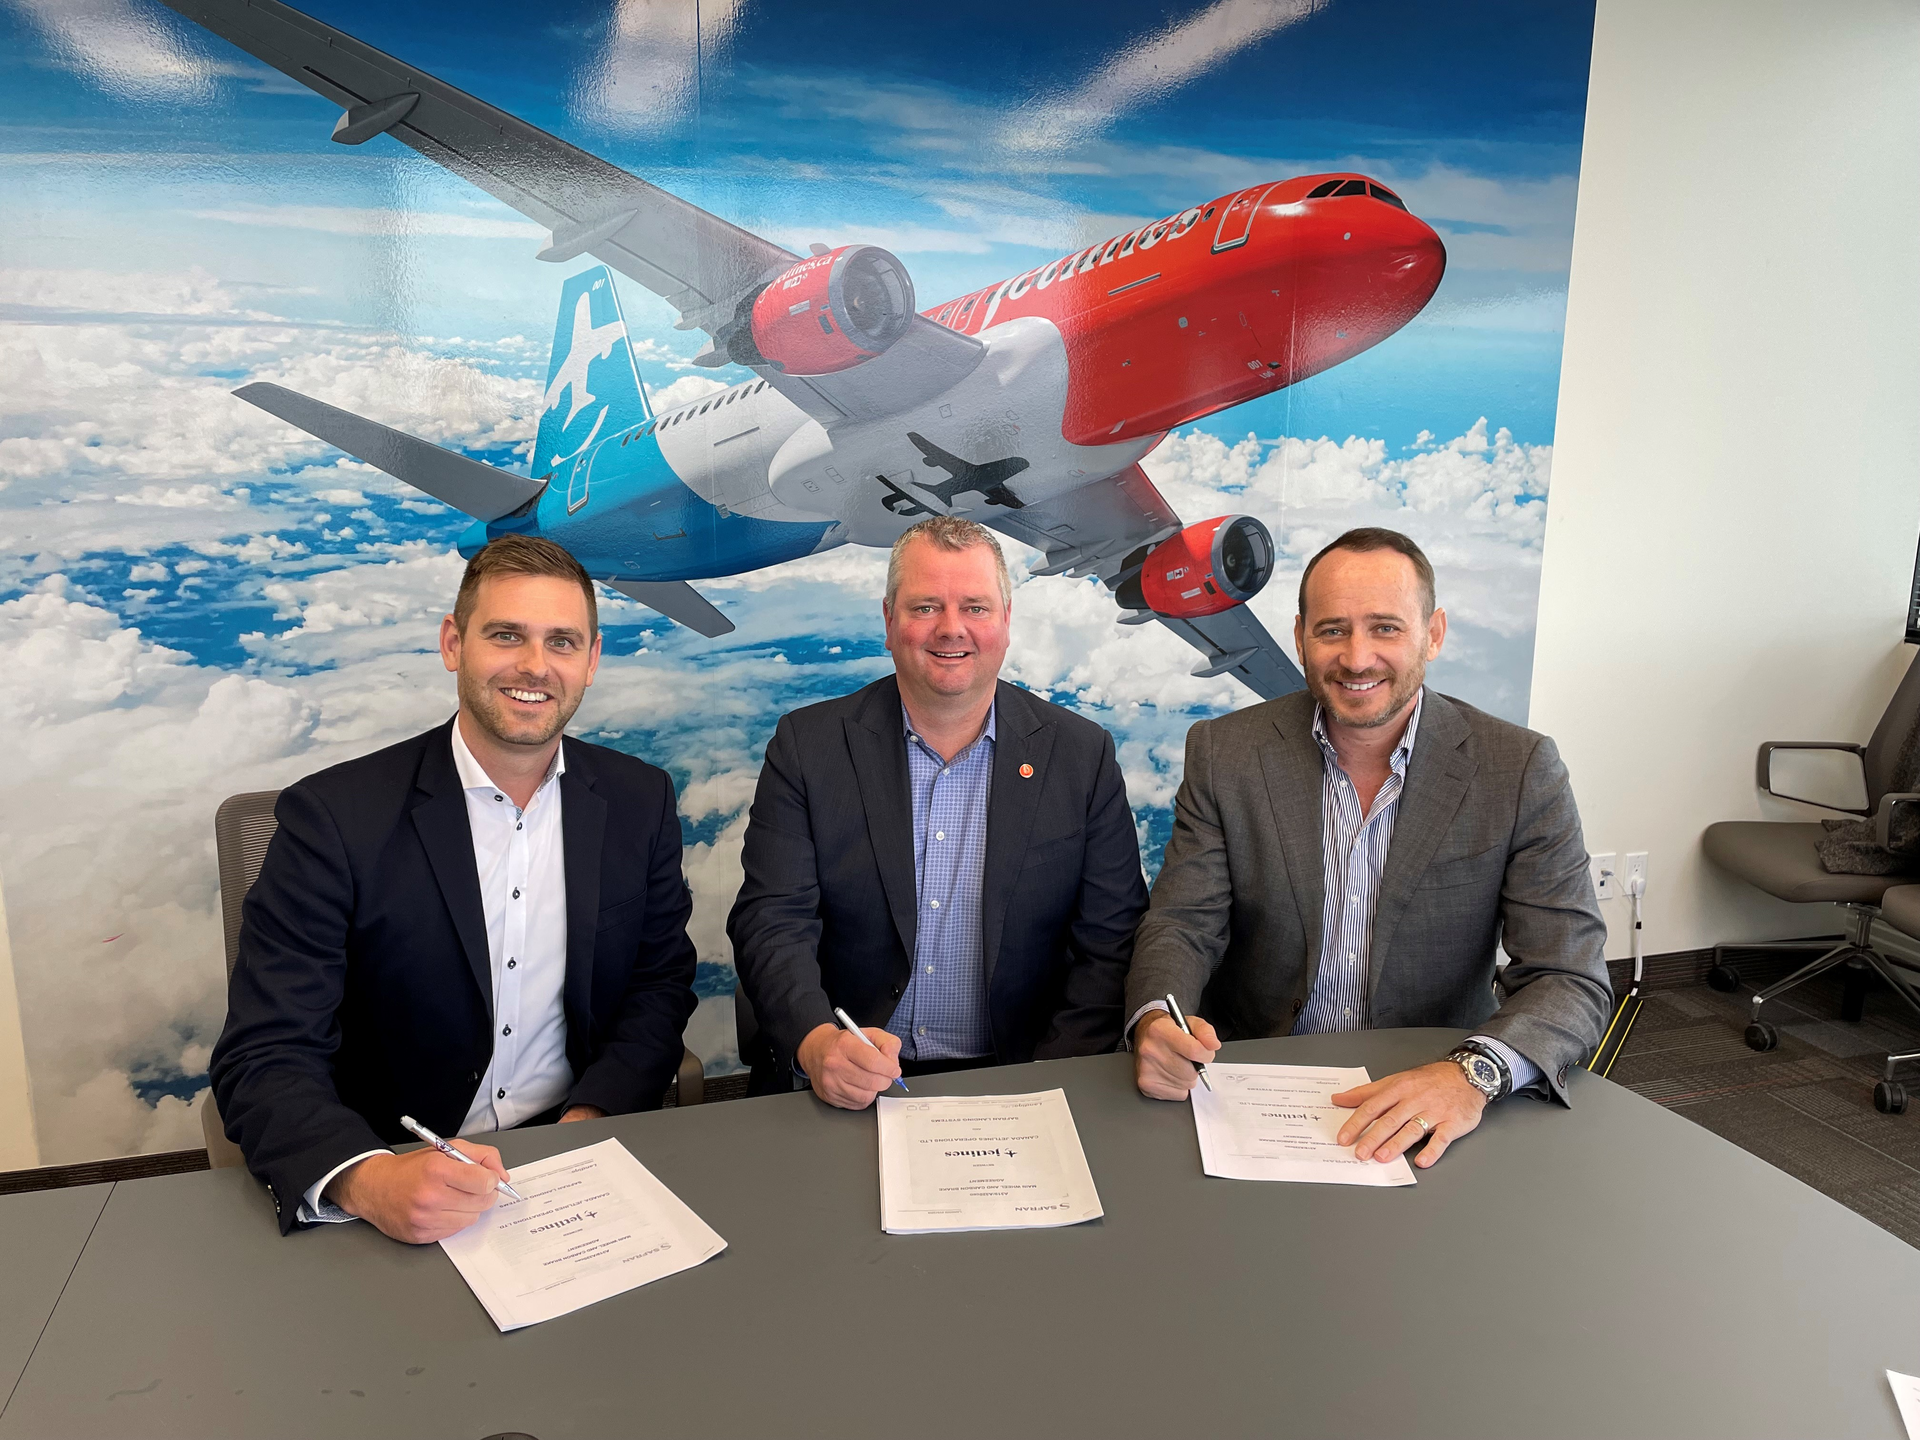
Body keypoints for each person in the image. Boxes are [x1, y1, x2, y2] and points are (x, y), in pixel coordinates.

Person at [210, 535, 698, 1240]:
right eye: (506, 635)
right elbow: (265, 1053)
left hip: (574, 1163)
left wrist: (590, 1117)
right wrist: (368, 1179)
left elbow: (658, 983)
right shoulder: (335, 820)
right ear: (453, 643)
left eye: (562, 642)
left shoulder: (637, 799)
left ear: (591, 661)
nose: (535, 666)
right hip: (396, 1166)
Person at [1127, 526, 1611, 1168]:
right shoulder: (1227, 754)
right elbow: (1183, 926)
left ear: (1433, 634)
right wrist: (1157, 1020)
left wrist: (1473, 1074)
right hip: (1258, 1084)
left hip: (1434, 1085)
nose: (1357, 659)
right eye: (1332, 631)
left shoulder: (1517, 768)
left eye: (1385, 628)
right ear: (1300, 637)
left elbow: (1569, 976)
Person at [729, 515, 1147, 1106]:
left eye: (975, 607)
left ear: (1006, 622)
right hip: (847, 1079)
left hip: (1021, 1076)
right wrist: (816, 1041)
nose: (952, 630)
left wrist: (1047, 1085)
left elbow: (1111, 942)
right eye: (926, 606)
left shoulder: (1081, 756)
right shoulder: (809, 746)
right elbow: (771, 920)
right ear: (889, 620)